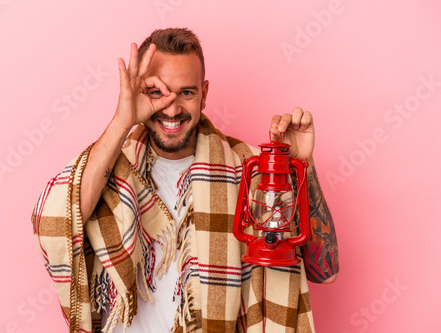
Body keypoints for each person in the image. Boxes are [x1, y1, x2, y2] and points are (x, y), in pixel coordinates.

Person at [32, 28, 339, 333]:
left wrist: (302, 166)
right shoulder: (110, 169)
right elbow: (57, 222)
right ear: (139, 92)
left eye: (186, 92)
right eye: (157, 92)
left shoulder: (251, 170)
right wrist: (123, 120)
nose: (173, 108)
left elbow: (323, 270)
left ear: (204, 94)